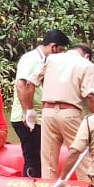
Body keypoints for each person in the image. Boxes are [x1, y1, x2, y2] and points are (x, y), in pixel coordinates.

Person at [31, 43, 94, 180]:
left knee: (48, 158)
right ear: (87, 56)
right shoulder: (86, 65)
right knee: (80, 153)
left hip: (47, 112)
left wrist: (29, 110)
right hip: (70, 113)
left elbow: (31, 82)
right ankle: (87, 186)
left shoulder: (50, 59)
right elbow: (90, 96)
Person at [11, 29, 70, 178]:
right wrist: (28, 112)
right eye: (60, 50)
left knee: (40, 157)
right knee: (33, 159)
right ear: (53, 47)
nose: (61, 55)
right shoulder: (31, 59)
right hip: (27, 118)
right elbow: (22, 84)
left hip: (39, 117)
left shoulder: (46, 61)